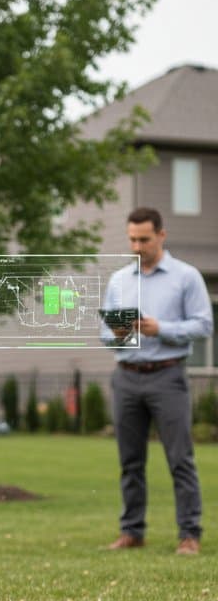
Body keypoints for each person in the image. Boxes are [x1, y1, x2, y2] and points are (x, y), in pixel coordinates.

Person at [101, 206, 213, 554]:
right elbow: (105, 334)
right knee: (130, 461)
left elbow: (204, 325)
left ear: (161, 235)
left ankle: (189, 534)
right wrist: (117, 332)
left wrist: (160, 328)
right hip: (127, 377)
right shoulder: (119, 280)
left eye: (144, 239)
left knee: (180, 459)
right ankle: (132, 531)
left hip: (168, 376)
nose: (137, 246)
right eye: (132, 239)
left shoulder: (186, 276)